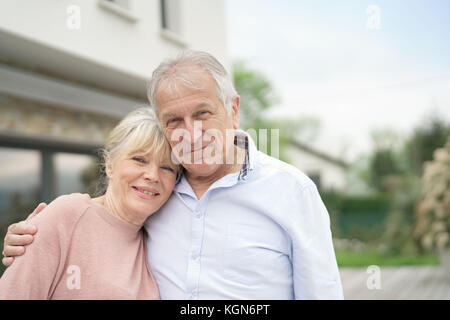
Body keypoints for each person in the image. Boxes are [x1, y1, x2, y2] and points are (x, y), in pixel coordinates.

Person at [2, 50, 344, 299]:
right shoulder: (156, 195)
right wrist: (37, 237)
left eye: (203, 113)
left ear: (233, 110)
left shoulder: (292, 191)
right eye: (174, 121)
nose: (191, 134)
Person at [0, 107, 178, 299]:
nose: (153, 176)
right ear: (109, 165)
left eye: (166, 167)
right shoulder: (67, 215)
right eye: (139, 160)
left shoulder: (158, 239)